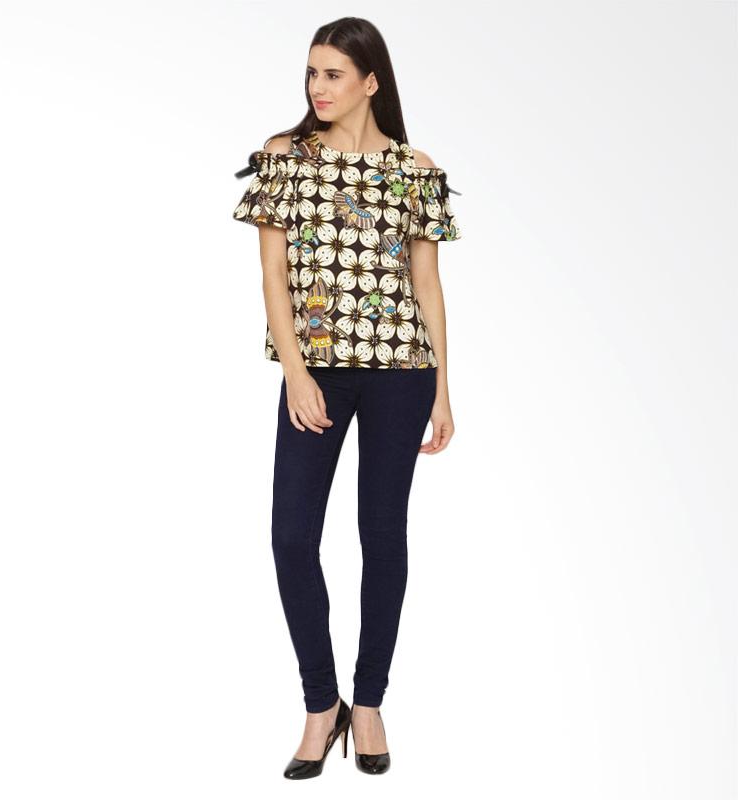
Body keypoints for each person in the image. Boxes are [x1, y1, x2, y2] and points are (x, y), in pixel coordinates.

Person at [231, 16, 462, 780]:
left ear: (370, 81)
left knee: (382, 535)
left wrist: (443, 390)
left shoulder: (414, 169)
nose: (316, 87)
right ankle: (320, 703)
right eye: (311, 73)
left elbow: (427, 284)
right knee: (291, 537)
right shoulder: (284, 159)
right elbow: (272, 277)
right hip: (318, 374)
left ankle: (368, 703)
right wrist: (297, 373)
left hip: (403, 372)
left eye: (332, 74)